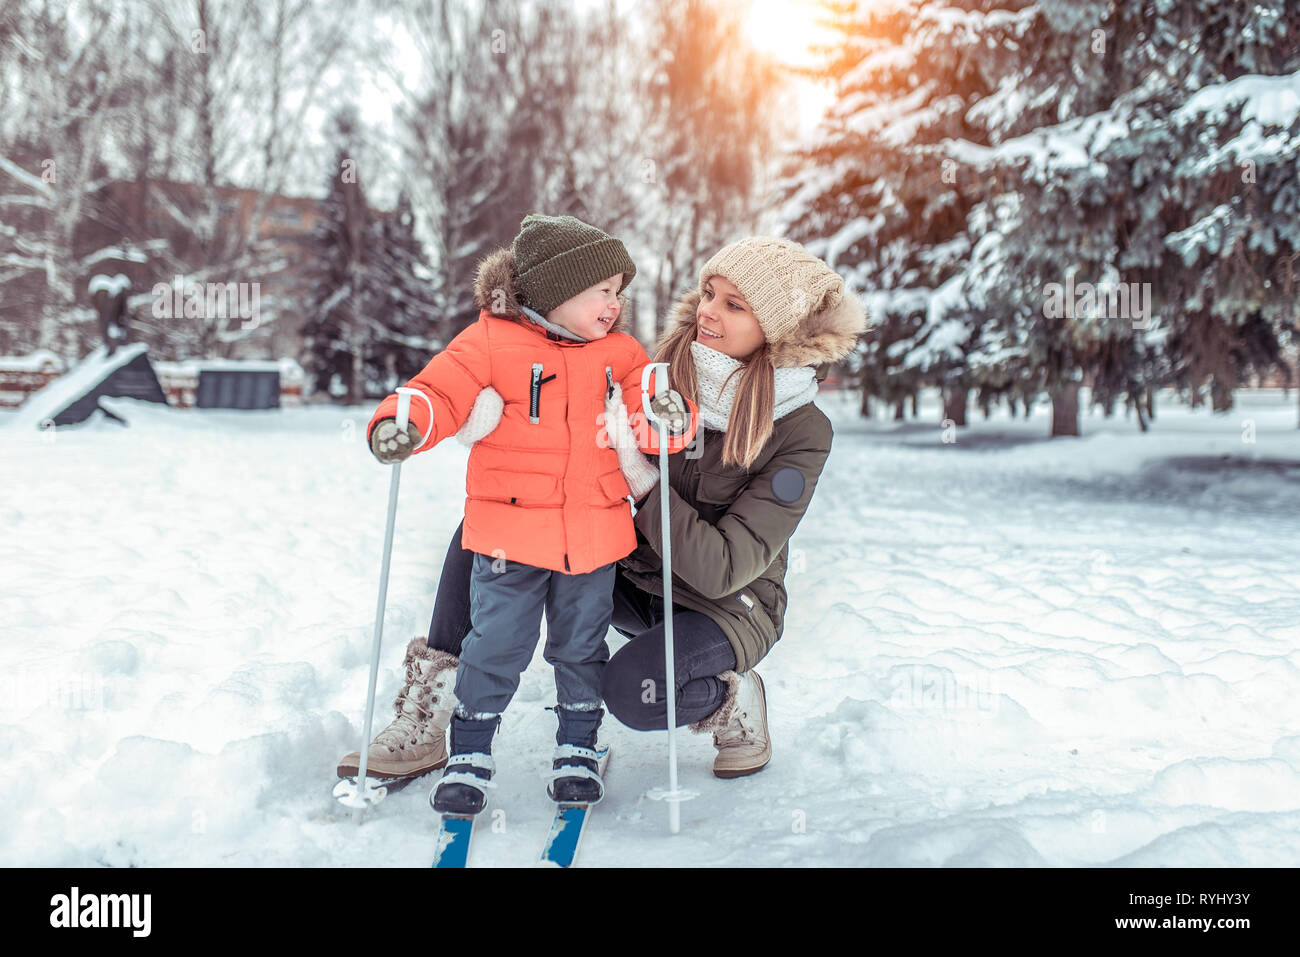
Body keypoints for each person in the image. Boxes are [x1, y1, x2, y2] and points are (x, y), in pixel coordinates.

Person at [338, 235, 866, 786]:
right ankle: (434, 706)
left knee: (636, 694)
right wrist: (493, 419)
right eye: (709, 293)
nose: (707, 311)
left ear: (775, 329)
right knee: (494, 524)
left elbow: (723, 568)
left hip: (725, 602)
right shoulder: (663, 369)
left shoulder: (803, 431)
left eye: (734, 305)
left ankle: (733, 700)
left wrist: (639, 478)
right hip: (632, 569)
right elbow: (527, 403)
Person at [360, 214, 698, 814]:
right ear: (558, 288)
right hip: (507, 541)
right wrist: (404, 420)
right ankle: (470, 749)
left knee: (580, 648)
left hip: (591, 537)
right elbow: (439, 390)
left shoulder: (622, 354)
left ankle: (578, 747)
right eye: (603, 290)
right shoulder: (489, 342)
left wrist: (670, 417)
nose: (614, 305)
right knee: (495, 644)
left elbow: (651, 412)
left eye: (619, 293)